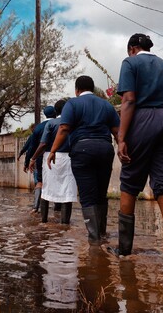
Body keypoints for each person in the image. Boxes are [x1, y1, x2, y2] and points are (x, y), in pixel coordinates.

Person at [115, 33, 163, 265]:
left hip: (142, 121)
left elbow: (128, 100)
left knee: (129, 183)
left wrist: (121, 137)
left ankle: (124, 251)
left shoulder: (130, 62)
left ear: (132, 48)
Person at [47, 76, 120, 241]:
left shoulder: (72, 104)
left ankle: (94, 239)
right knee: (101, 194)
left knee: (87, 195)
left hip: (82, 150)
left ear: (77, 90)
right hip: (105, 149)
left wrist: (53, 150)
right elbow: (117, 131)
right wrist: (122, 147)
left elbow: (64, 128)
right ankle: (102, 233)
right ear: (93, 89)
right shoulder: (106, 105)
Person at [29, 99, 77, 224]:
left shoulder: (50, 124)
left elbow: (43, 144)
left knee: (47, 189)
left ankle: (44, 222)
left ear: (56, 111)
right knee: (67, 192)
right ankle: (65, 224)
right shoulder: (74, 124)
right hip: (68, 158)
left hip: (50, 157)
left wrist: (33, 158)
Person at [24, 106, 57, 213]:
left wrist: (27, 161)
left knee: (40, 182)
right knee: (57, 180)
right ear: (55, 114)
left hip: (41, 157)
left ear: (45, 114)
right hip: (58, 157)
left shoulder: (38, 128)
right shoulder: (60, 124)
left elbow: (32, 147)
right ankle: (58, 208)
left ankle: (36, 207)